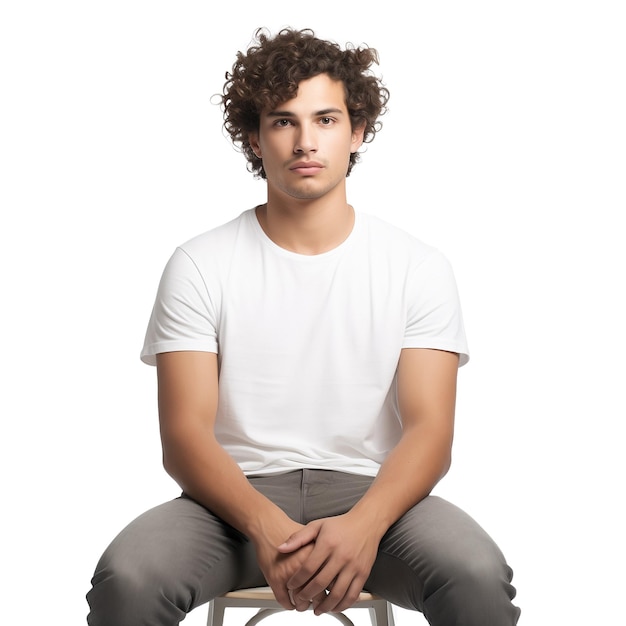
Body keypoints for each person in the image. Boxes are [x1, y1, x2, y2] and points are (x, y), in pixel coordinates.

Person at [86, 27, 521, 626]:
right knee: (129, 579)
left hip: (374, 497)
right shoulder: (199, 264)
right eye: (283, 121)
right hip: (230, 504)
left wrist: (363, 528)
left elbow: (430, 432)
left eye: (326, 119)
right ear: (255, 137)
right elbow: (184, 434)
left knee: (475, 575)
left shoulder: (417, 266)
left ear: (357, 131)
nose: (305, 141)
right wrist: (265, 527)